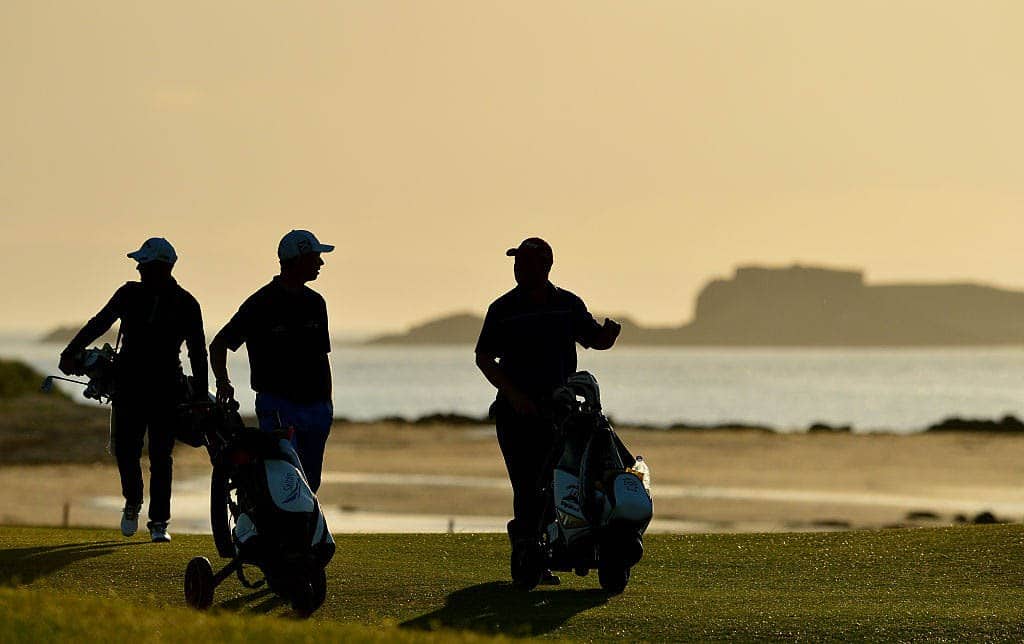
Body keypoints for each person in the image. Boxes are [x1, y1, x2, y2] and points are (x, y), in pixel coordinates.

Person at [475, 237, 621, 584]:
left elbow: (593, 339)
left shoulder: (567, 304)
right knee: (527, 485)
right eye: (517, 264)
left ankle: (544, 550)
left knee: (561, 484)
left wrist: (608, 336)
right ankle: (528, 555)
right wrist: (514, 396)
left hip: (561, 414)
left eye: (526, 264)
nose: (519, 270)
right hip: (516, 415)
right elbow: (484, 358)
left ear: (546, 267)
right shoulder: (503, 308)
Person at [59, 237, 208, 543]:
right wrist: (71, 351)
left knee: (161, 456)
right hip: (128, 385)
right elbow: (100, 323)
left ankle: (159, 522)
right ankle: (133, 501)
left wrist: (200, 396)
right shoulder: (128, 294)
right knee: (126, 451)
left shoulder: (186, 303)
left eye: (143, 263)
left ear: (160, 267)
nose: (138, 268)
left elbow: (198, 352)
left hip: (167, 389)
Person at [209, 230, 335, 492]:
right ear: (297, 260)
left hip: (317, 408)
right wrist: (223, 382)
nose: (321, 263)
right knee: (284, 476)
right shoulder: (261, 304)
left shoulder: (315, 303)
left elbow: (321, 356)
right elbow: (219, 344)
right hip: (278, 405)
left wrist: (326, 406)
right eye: (315, 257)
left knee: (310, 483)